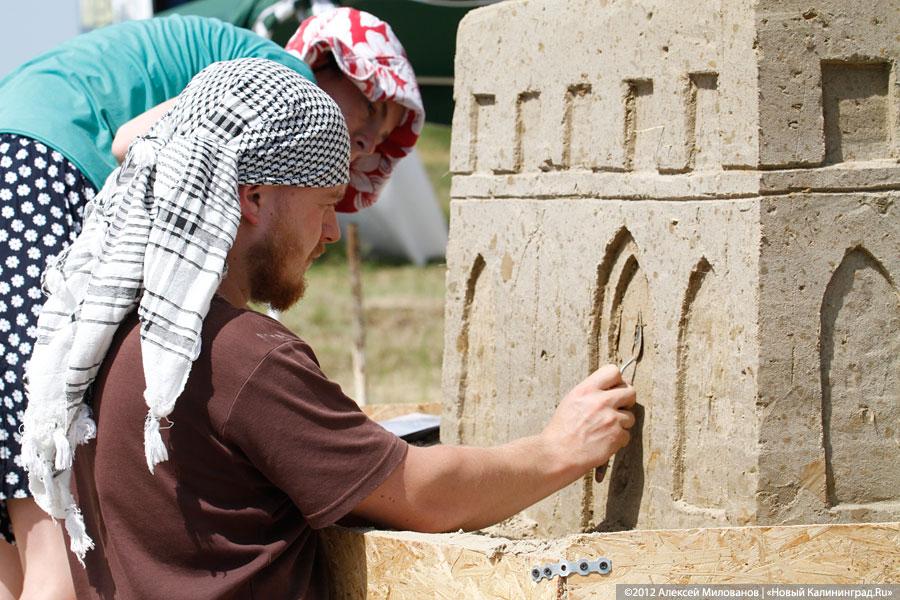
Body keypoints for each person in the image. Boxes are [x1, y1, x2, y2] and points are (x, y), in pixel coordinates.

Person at [22, 57, 636, 600]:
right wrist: (559, 448)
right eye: (323, 204)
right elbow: (423, 495)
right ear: (254, 199)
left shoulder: (104, 336)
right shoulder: (238, 354)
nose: (332, 232)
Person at [0, 9, 422, 598]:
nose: (365, 144)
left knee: (14, 537)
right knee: (55, 552)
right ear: (330, 70)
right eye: (368, 116)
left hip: (17, 153)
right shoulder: (283, 90)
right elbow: (129, 145)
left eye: (378, 139)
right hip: (40, 168)